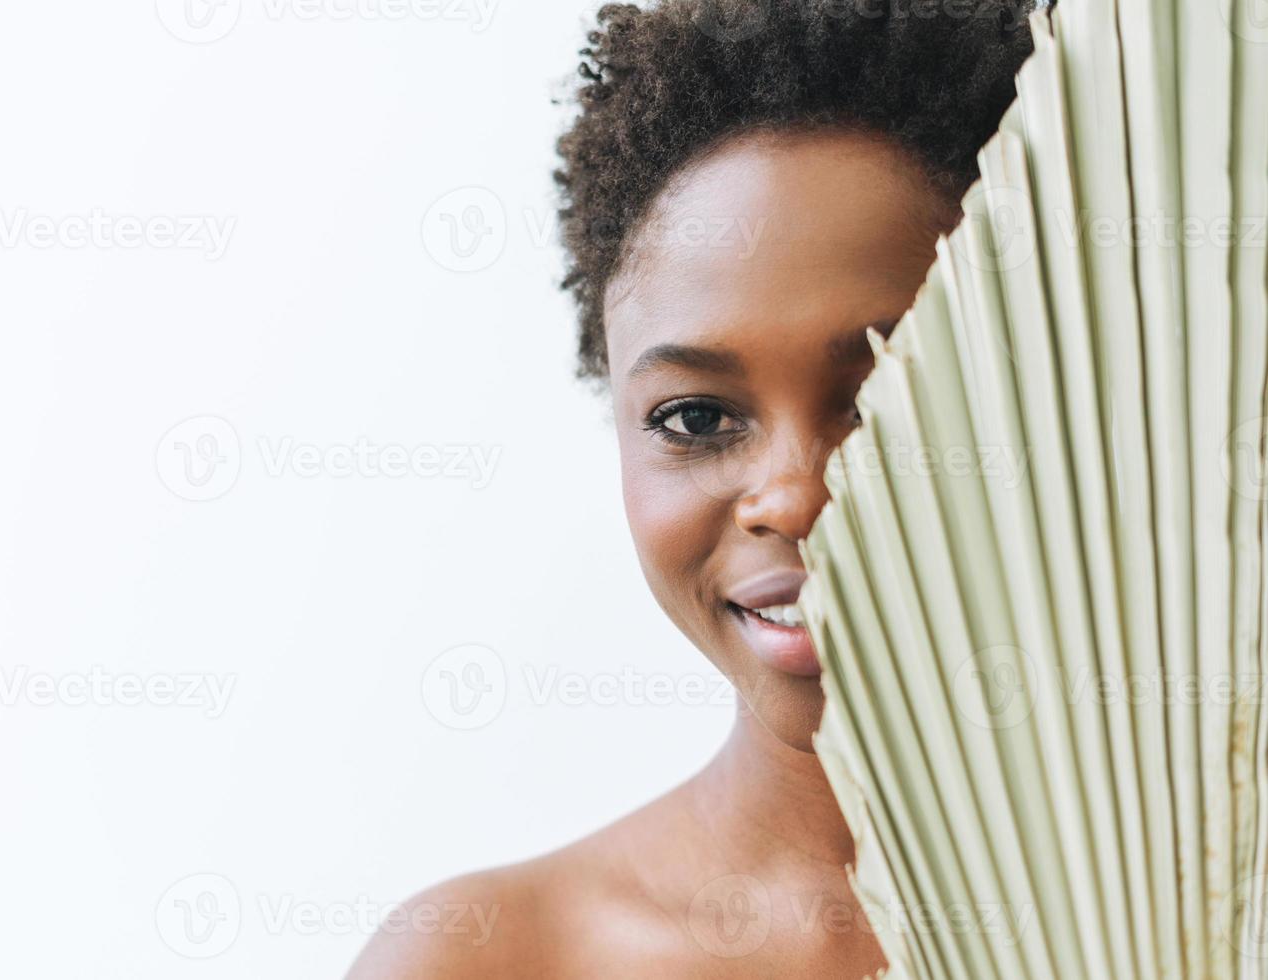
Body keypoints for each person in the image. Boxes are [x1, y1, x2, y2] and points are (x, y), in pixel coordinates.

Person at [351, 0, 1034, 974]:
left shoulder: (1219, 903)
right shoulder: (491, 956)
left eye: (884, 388)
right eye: (698, 418)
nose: (792, 497)